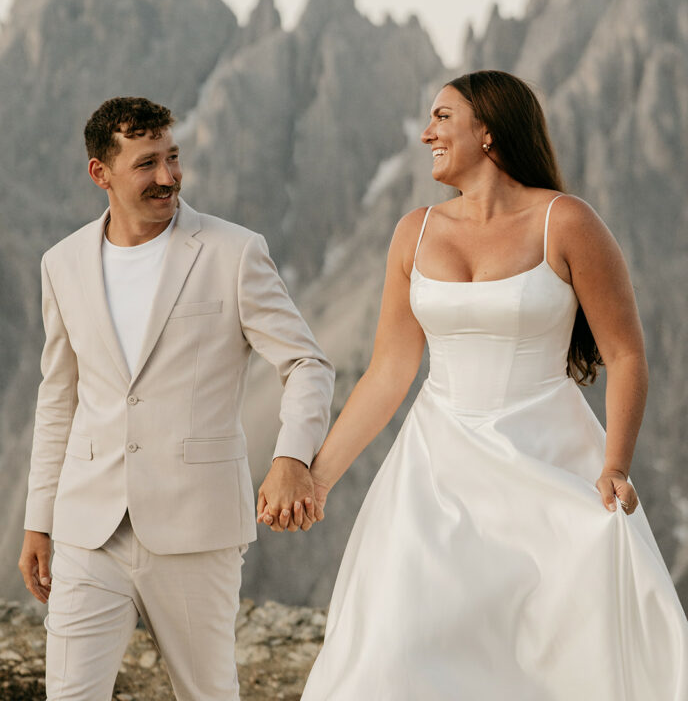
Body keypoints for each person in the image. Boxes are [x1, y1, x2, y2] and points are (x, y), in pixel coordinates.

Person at [298, 71, 688, 700]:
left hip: (548, 460)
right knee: (395, 646)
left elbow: (626, 353)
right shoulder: (413, 232)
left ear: (487, 130)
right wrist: (317, 478)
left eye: (442, 117)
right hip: (434, 469)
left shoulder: (567, 221)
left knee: (554, 652)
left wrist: (616, 464)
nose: (427, 133)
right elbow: (390, 371)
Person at [18, 96, 334, 701]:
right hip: (90, 528)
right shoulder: (62, 264)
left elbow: (307, 362)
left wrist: (292, 457)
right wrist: (39, 521)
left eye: (172, 158)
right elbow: (58, 397)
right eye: (146, 164)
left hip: (198, 528)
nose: (167, 177)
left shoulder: (233, 252)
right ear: (100, 173)